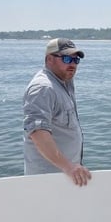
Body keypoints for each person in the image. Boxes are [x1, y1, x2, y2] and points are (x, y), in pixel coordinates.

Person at [23, 38, 92, 186]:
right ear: (49, 59)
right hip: (48, 180)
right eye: (67, 58)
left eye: (76, 60)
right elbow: (37, 132)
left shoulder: (64, 81)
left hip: (67, 175)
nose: (72, 64)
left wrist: (72, 168)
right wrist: (69, 167)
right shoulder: (43, 88)